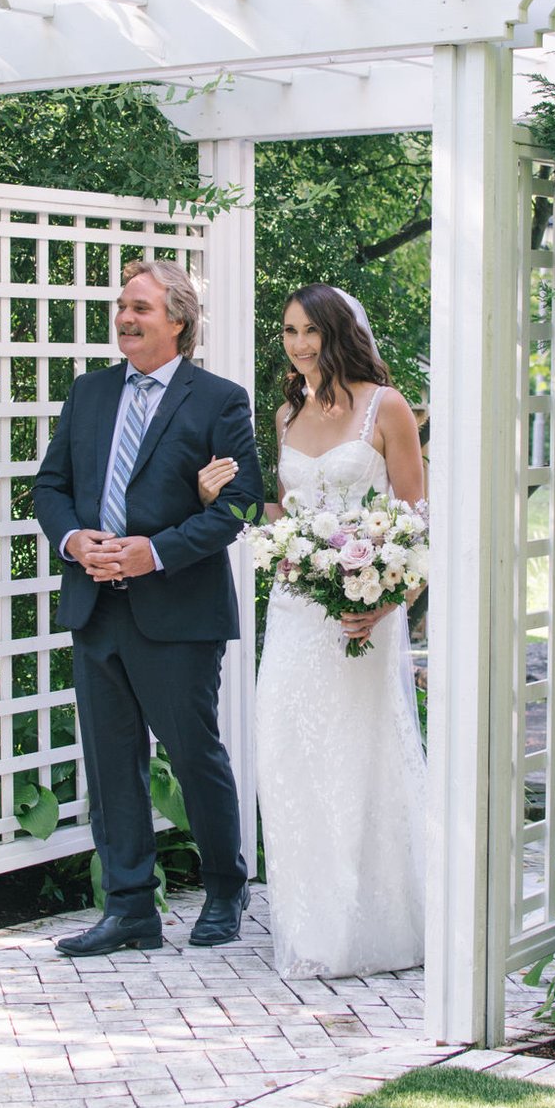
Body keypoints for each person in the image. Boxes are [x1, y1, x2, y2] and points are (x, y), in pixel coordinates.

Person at [34, 259, 264, 957]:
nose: (125, 319)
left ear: (178, 321)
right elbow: (50, 486)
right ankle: (130, 908)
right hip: (95, 608)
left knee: (195, 755)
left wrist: (152, 552)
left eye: (140, 308)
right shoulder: (90, 392)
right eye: (122, 306)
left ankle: (226, 890)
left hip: (178, 613)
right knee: (110, 765)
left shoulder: (220, 399)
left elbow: (243, 504)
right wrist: (76, 540)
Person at [199, 283, 426, 979]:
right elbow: (289, 517)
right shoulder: (286, 413)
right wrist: (224, 497)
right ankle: (313, 927)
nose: (298, 345)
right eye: (290, 332)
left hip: (366, 611)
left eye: (310, 332)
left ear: (337, 333)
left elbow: (418, 521)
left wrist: (390, 602)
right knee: (291, 751)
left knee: (360, 759)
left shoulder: (387, 408)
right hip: (296, 611)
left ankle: (379, 927)